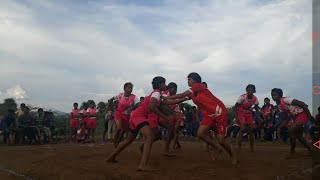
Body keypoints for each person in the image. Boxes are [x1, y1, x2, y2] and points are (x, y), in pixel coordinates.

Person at [162, 72, 237, 164]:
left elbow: (181, 95)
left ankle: (231, 154)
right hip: (209, 114)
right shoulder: (192, 93)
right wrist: (164, 102)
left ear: (195, 80)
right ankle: (217, 148)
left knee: (221, 140)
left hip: (220, 112)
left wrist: (163, 97)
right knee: (200, 133)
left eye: (189, 79)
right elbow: (179, 100)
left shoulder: (199, 86)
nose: (188, 82)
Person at [106, 76, 171, 171]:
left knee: (128, 140)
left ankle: (111, 157)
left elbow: (163, 106)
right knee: (150, 137)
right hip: (139, 116)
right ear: (160, 85)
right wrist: (166, 117)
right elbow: (152, 107)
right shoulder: (156, 93)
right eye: (164, 83)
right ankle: (143, 165)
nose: (166, 85)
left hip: (135, 116)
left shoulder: (156, 94)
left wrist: (173, 112)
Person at [271, 88, 314, 155]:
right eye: (272, 95)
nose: (273, 97)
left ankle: (292, 151)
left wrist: (309, 116)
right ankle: (310, 149)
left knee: (291, 130)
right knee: (299, 136)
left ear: (280, 95)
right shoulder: (279, 106)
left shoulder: (285, 100)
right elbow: (286, 117)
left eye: (274, 95)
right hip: (296, 117)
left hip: (302, 114)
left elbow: (302, 104)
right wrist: (280, 126)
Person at [109, 82, 139, 148]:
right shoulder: (120, 95)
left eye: (131, 88)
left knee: (123, 131)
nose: (130, 89)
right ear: (124, 89)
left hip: (127, 116)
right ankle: (115, 143)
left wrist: (133, 107)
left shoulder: (134, 97)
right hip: (118, 114)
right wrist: (109, 110)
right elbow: (110, 100)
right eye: (128, 88)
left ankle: (117, 144)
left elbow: (138, 104)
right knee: (119, 128)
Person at [235, 84, 259, 153]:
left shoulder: (255, 98)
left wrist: (258, 117)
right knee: (242, 128)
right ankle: (239, 147)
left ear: (254, 91)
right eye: (248, 90)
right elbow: (236, 106)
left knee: (251, 130)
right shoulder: (242, 97)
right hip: (241, 112)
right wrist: (236, 117)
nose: (250, 91)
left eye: (251, 90)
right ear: (246, 90)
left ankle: (252, 147)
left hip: (248, 113)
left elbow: (256, 108)